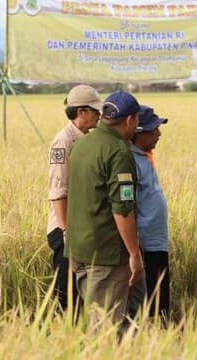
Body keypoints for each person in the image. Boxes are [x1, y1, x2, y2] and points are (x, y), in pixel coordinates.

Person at [65, 90, 144, 328]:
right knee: (105, 329)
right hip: (106, 253)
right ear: (131, 120)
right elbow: (122, 208)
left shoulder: (83, 143)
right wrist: (133, 253)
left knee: (94, 320)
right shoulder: (118, 151)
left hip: (79, 249)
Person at [47, 84, 101, 311]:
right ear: (81, 112)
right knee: (66, 292)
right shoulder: (64, 141)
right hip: (66, 229)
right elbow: (58, 190)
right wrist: (67, 231)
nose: (100, 115)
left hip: (83, 228)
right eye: (95, 111)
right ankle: (61, 334)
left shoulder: (88, 137)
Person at [128, 105, 170, 319]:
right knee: (150, 303)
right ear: (138, 132)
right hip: (144, 244)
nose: (158, 134)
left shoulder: (145, 155)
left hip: (157, 241)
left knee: (161, 297)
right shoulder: (129, 160)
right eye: (153, 130)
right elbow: (126, 207)